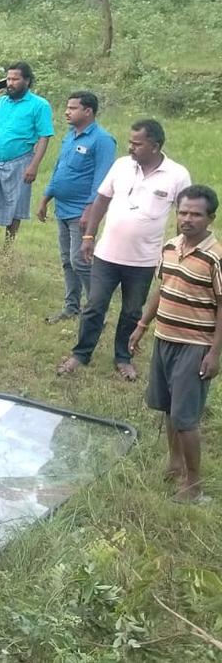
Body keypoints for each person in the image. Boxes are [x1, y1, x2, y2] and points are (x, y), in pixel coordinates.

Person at [57, 119, 192, 381]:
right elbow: (101, 201)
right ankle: (81, 354)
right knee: (95, 306)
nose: (131, 147)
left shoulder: (178, 175)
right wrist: (88, 236)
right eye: (130, 142)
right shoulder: (121, 166)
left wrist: (178, 250)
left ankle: (123, 357)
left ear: (156, 145)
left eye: (137, 143)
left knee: (132, 311)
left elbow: (184, 215)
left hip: (143, 260)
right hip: (106, 255)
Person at [127, 185, 220, 503]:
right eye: (183, 212)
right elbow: (162, 289)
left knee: (185, 417)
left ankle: (193, 484)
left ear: (210, 218)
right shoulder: (170, 247)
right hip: (163, 339)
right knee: (168, 407)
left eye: (196, 214)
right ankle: (174, 462)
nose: (188, 219)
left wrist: (214, 353)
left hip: (194, 346)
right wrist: (142, 325)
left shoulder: (215, 257)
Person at [36, 91, 117, 323]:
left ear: (88, 111)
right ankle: (71, 306)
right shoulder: (70, 136)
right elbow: (59, 169)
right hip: (62, 208)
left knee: (80, 261)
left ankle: (96, 310)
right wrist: (45, 198)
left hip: (81, 212)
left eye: (72, 108)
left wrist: (90, 212)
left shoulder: (102, 140)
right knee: (66, 261)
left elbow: (102, 181)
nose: (66, 112)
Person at [0, 61, 55, 260]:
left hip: (20, 162)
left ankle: (7, 248)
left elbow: (44, 136)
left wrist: (34, 166)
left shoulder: (39, 105)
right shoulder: (0, 102)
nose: (10, 83)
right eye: (8, 78)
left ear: (27, 80)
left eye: (15, 79)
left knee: (15, 205)